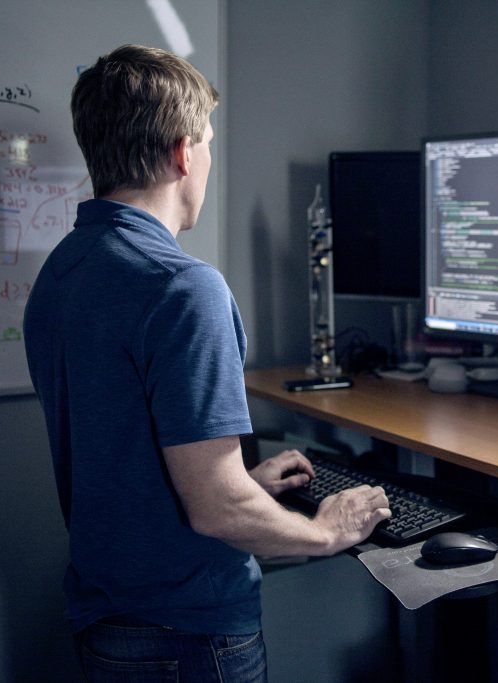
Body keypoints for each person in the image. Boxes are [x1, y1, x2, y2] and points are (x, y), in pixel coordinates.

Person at [23, 44, 391, 681]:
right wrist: (328, 529)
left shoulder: (63, 271)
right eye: (209, 143)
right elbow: (216, 509)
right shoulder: (181, 286)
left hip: (108, 623)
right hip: (188, 637)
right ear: (182, 152)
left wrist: (242, 481)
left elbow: (130, 455)